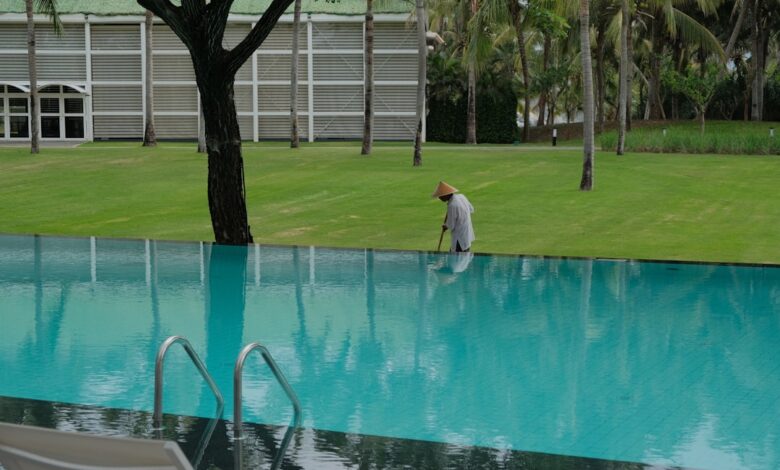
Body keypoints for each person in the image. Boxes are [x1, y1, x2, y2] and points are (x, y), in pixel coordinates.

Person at [431, 181, 475, 252]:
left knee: (456, 258)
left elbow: (451, 225)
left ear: (446, 195)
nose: (439, 198)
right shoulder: (461, 196)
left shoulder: (452, 205)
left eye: (440, 196)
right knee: (464, 256)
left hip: (459, 238)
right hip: (467, 232)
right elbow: (471, 209)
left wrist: (445, 226)